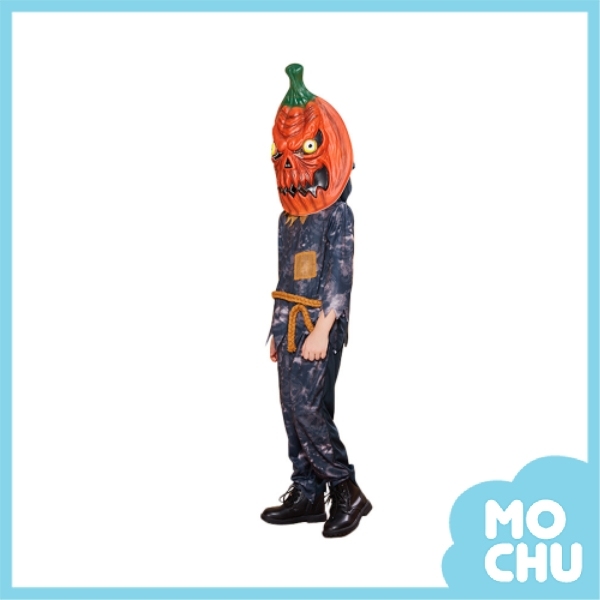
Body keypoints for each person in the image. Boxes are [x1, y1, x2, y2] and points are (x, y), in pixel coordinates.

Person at [261, 64, 371, 538]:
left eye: (305, 149)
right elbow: (284, 277)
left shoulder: (338, 215)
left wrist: (324, 328)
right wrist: (274, 326)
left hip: (318, 326)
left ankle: (346, 489)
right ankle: (307, 492)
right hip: (288, 325)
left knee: (309, 407)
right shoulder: (286, 220)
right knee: (291, 408)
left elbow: (340, 275)